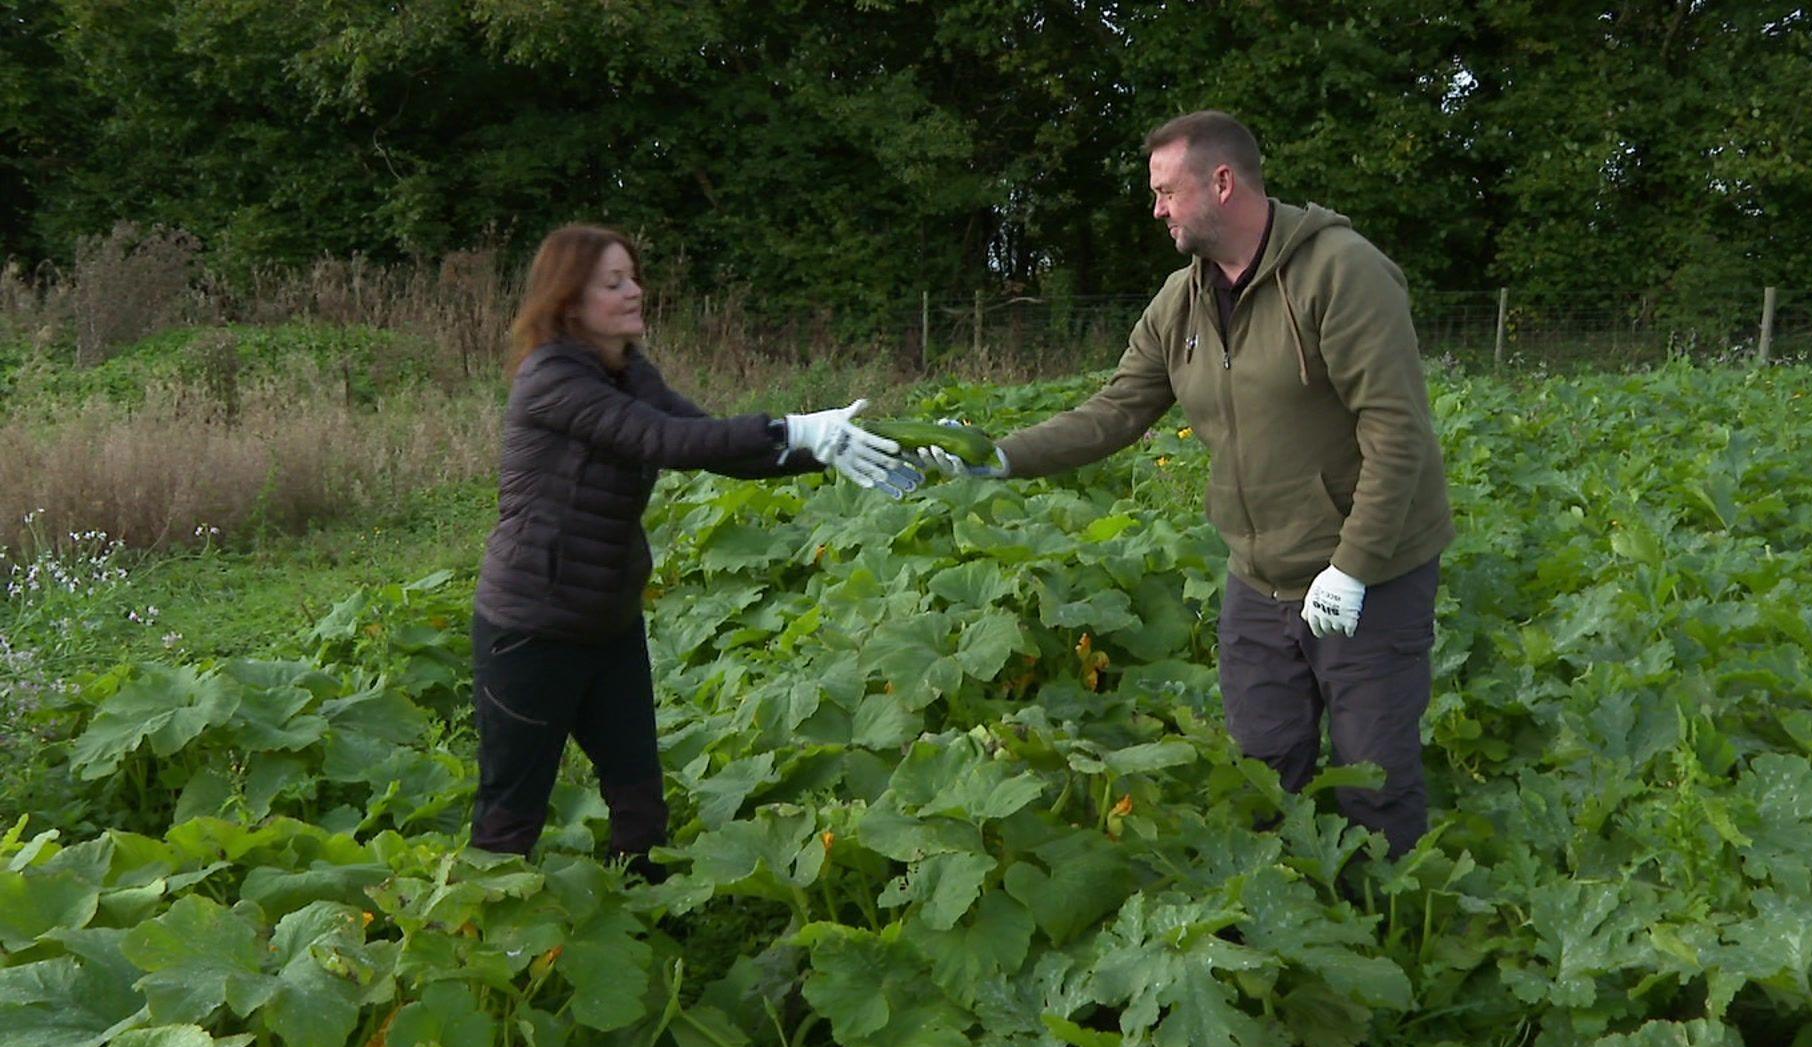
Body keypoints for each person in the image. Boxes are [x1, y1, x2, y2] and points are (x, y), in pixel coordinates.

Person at [920, 111, 1453, 857]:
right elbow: (1115, 411)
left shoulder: (1341, 273)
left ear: (1222, 183)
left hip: (1371, 575)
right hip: (1259, 581)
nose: (1158, 208)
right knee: (1263, 773)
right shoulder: (1183, 300)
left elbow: (1397, 431)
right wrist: (996, 457)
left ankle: (1384, 922)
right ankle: (1284, 922)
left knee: (1374, 778)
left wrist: (1354, 565)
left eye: (1167, 191)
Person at [468, 223, 918, 880]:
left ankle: (646, 922)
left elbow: (712, 443)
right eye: (613, 282)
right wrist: (794, 425)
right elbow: (662, 442)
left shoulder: (627, 371)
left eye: (634, 276)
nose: (635, 291)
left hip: (608, 621)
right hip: (532, 628)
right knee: (511, 816)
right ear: (568, 301)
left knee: (640, 803)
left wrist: (838, 447)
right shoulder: (552, 380)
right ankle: (479, 948)